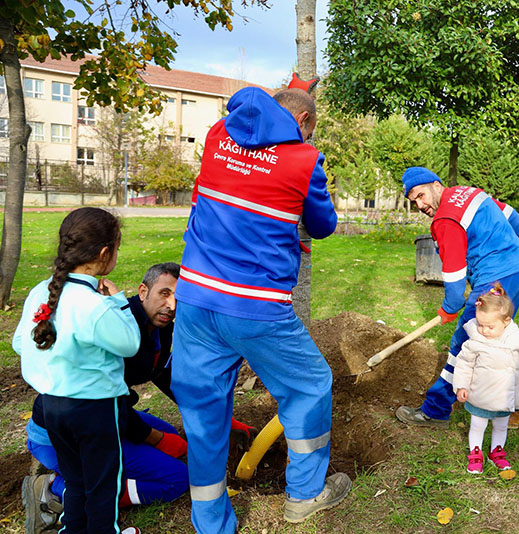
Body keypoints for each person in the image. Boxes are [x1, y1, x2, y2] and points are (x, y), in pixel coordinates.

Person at [171, 86, 348, 532]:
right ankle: (305, 496)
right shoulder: (305, 159)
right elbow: (323, 226)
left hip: (194, 299)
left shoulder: (216, 134)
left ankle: (211, 522)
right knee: (310, 386)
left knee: (204, 410)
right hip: (255, 306)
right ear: (304, 122)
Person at [22, 263, 193, 534]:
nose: (171, 305)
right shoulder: (118, 324)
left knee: (170, 433)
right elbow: (112, 402)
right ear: (143, 291)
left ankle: (92, 482)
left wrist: (206, 411)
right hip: (68, 429)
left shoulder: (160, 324)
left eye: (178, 297)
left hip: (99, 417)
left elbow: (160, 370)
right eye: (164, 293)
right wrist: (153, 438)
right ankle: (54, 490)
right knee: (175, 478)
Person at [13, 208, 142, 534]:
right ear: (104, 254)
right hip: (94, 410)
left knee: (75, 478)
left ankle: (71, 530)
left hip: (52, 407)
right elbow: (129, 344)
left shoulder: (40, 292)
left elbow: (19, 343)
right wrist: (119, 303)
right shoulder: (94, 305)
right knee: (102, 486)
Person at [395, 167, 519, 428]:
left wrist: (450, 307)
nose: (420, 204)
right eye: (414, 200)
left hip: (495, 282)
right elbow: (508, 212)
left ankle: (436, 410)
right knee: (498, 337)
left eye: (421, 195)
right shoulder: (469, 193)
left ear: (436, 185)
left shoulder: (444, 220)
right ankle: (511, 406)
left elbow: (453, 273)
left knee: (464, 343)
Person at [453, 283, 519, 474]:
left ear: (506, 321)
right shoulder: (475, 340)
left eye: (489, 326)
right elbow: (464, 363)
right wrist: (461, 386)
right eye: (480, 324)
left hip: (505, 395)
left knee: (501, 425)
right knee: (477, 424)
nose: (484, 330)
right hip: (480, 392)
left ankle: (496, 452)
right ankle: (475, 453)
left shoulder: (517, 338)